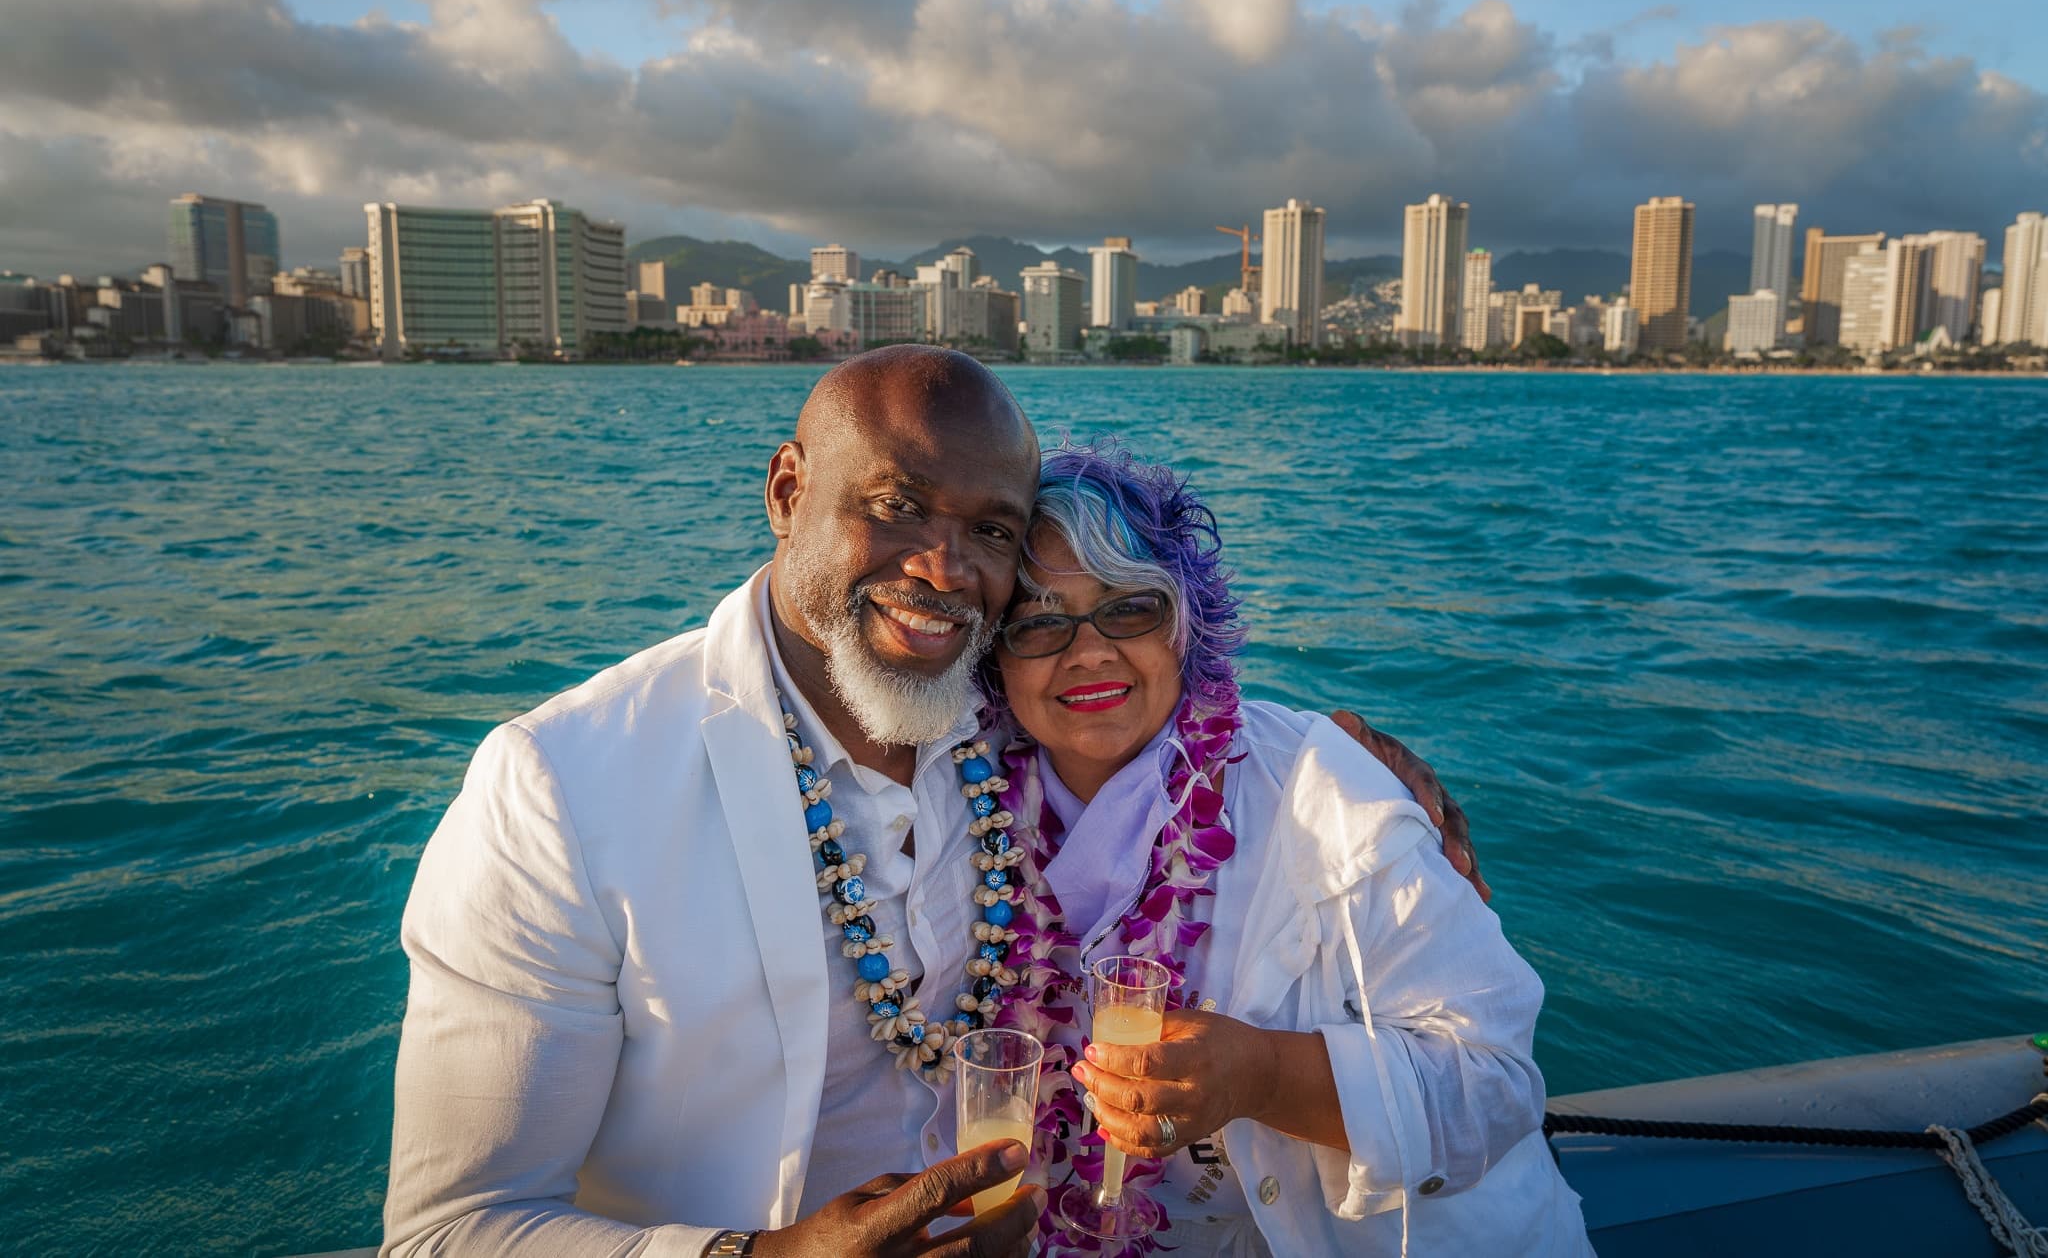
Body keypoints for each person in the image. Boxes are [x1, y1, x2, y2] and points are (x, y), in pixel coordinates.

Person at [380, 347, 1484, 1257]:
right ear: (785, 491)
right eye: (897, 504)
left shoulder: (991, 713)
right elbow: (445, 1231)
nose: (944, 567)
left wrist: (1358, 769)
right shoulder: (562, 787)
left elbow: (1140, 698)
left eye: (991, 532)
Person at [981, 439, 1591, 1256]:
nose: (1089, 650)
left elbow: (1497, 1085)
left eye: (1131, 608)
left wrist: (1261, 1074)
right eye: (1039, 624)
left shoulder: (1328, 792)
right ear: (991, 657)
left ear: (1186, 625)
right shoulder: (956, 804)